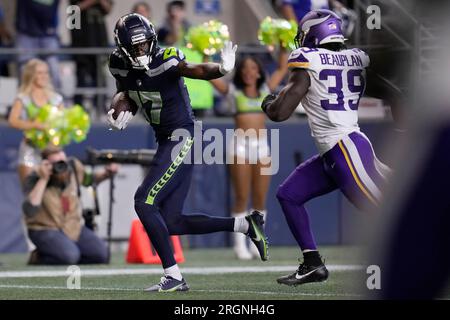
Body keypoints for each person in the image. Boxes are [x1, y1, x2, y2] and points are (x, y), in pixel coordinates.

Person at [107, 13, 269, 292]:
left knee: (144, 201)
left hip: (181, 136)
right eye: (134, 48)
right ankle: (246, 225)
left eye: (144, 45)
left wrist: (221, 69)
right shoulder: (118, 65)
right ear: (122, 48)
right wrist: (117, 109)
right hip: (165, 139)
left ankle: (173, 276)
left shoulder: (166, 58)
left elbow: (197, 69)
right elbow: (126, 92)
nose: (140, 51)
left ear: (152, 41)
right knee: (171, 221)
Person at [261, 10, 390, 286]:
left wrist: (268, 104)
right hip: (336, 152)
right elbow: (389, 88)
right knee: (289, 194)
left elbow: (281, 113)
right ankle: (312, 264)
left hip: (346, 150)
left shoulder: (309, 59)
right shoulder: (356, 57)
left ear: (312, 34)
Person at [209, 49, 288, 260]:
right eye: (244, 69)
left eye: (253, 68)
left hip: (262, 147)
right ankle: (239, 245)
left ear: (259, 72)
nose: (248, 72)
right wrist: (206, 51)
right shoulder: (233, 91)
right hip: (240, 147)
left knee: (260, 199)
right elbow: (211, 77)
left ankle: (257, 241)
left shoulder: (265, 89)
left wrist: (282, 43)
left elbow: (282, 67)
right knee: (242, 197)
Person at [22, 147, 118, 265]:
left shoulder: (73, 167)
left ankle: (64, 252)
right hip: (44, 229)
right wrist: (43, 179)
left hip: (72, 226)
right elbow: (30, 210)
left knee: (102, 255)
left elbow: (89, 180)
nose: (62, 166)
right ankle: (38, 257)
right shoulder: (35, 175)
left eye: (63, 161)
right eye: (56, 163)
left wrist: (106, 174)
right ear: (46, 164)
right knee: (70, 257)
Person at [8, 59, 64, 184]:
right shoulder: (22, 98)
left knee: (57, 192)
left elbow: (63, 122)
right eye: (39, 73)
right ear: (31, 75)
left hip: (52, 151)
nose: (44, 76)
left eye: (46, 73)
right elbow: (12, 121)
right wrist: (34, 125)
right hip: (30, 151)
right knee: (31, 195)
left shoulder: (56, 98)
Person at [70, 0, 113, 110]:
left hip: (99, 42)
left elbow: (108, 9)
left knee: (100, 78)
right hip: (80, 42)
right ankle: (78, 107)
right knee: (81, 78)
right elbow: (73, 10)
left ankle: (100, 107)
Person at [15, 0, 61, 88]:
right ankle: (25, 100)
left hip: (48, 34)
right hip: (26, 33)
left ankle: (56, 100)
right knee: (25, 70)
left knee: (53, 69)